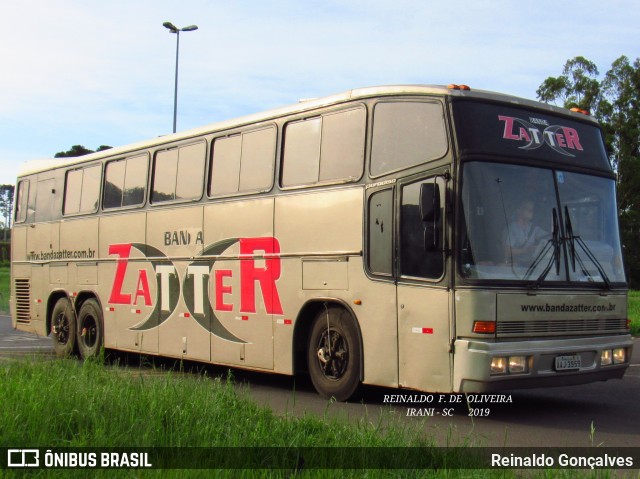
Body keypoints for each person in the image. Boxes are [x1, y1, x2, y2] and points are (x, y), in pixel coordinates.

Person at [503, 200, 547, 265]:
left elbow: (548, 236)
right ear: (519, 210)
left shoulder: (533, 227)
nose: (531, 211)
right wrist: (526, 250)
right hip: (515, 266)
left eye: (532, 209)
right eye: (527, 208)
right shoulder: (512, 228)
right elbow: (507, 251)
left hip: (531, 264)